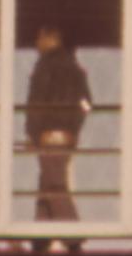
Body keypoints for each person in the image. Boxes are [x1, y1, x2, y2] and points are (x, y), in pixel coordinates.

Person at [24, 23, 92, 242]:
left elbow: (37, 102)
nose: (36, 44)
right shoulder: (75, 68)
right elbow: (87, 103)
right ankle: (40, 238)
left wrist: (32, 133)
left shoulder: (45, 66)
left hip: (48, 133)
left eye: (39, 38)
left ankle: (73, 236)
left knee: (54, 184)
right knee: (48, 181)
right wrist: (74, 127)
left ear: (49, 37)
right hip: (67, 136)